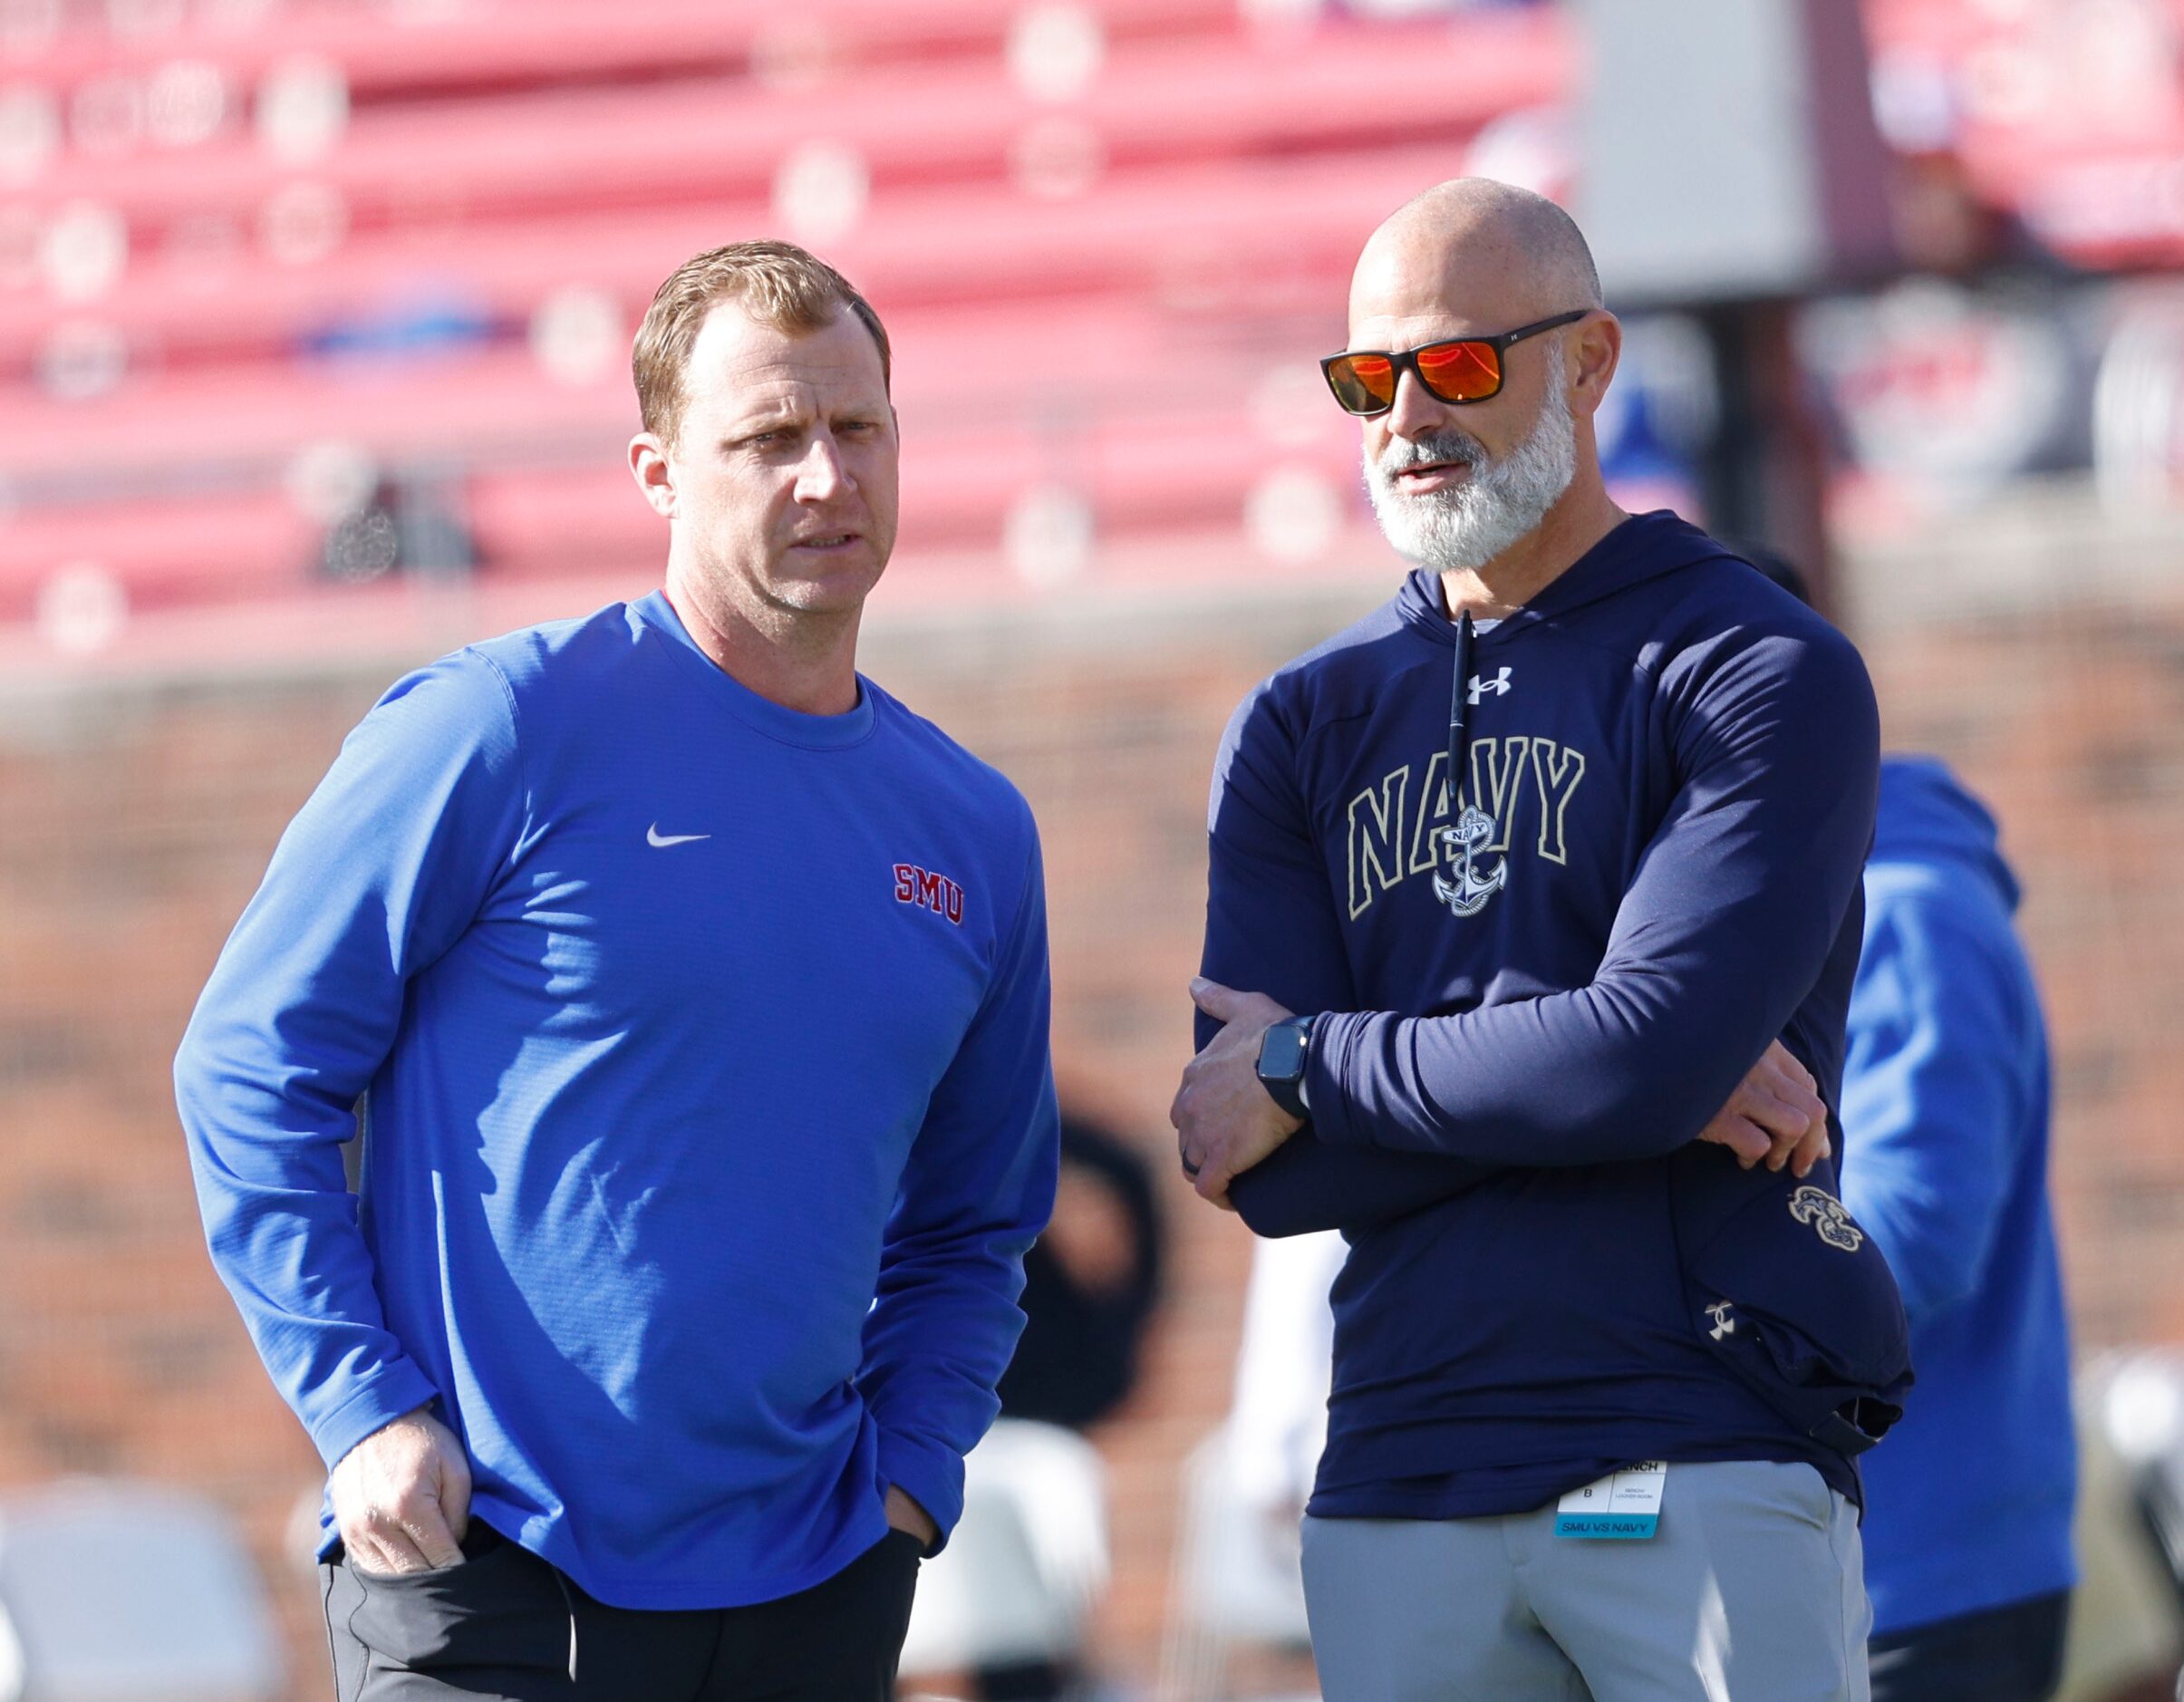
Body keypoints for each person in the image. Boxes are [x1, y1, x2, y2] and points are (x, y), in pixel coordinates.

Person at [174, 241, 1060, 1702]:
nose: (825, 476)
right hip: (490, 1569)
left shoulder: (970, 829)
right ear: (656, 473)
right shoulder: (497, 728)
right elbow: (248, 1068)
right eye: (769, 437)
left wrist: (907, 1480)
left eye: (856, 428)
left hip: (817, 1589)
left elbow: (974, 1224)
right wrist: (361, 1407)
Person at [1169, 178, 1912, 1700]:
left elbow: (1625, 1063)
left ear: (1587, 360)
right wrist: (1604, 1072)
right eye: (1366, 380)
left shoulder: (1755, 663)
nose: (1403, 417)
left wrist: (1314, 1055)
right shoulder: (1301, 721)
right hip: (1395, 1465)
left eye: (1453, 364)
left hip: (1693, 1438)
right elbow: (1265, 1163)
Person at [1741, 551, 2078, 1700]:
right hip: (1827, 1558)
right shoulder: (1768, 905)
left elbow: (1917, 1236)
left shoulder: (1912, 911)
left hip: (1923, 1572)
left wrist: (1669, 1311)